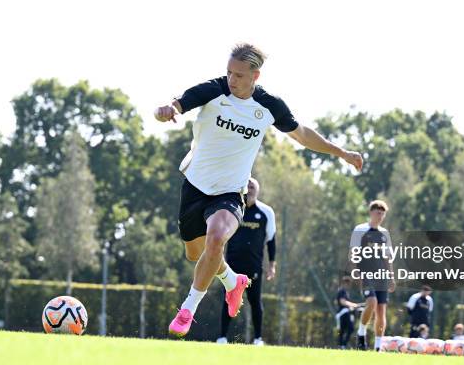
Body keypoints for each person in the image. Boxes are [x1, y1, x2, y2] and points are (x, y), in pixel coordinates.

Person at [155, 43, 363, 337]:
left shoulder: (268, 106)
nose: (231, 79)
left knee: (216, 240)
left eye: (239, 75)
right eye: (229, 72)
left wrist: (341, 153)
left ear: (256, 76)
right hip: (195, 186)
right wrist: (167, 109)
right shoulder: (214, 90)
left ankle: (188, 309)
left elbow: (302, 134)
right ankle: (231, 281)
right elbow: (179, 103)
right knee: (196, 254)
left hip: (230, 192)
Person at [216, 178, 276, 346]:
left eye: (252, 187)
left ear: (258, 190)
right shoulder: (233, 209)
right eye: (247, 186)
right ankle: (222, 337)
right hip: (231, 266)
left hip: (254, 266)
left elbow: (271, 239)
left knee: (255, 301)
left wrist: (272, 264)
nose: (249, 189)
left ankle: (258, 338)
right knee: (228, 300)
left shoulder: (266, 212)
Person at [350, 200, 396, 351]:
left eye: (383, 213)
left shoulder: (384, 234)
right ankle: (361, 332)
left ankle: (377, 347)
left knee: (381, 311)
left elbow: (387, 257)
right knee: (371, 302)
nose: (380, 216)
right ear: (371, 212)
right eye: (378, 212)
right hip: (366, 273)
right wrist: (355, 270)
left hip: (381, 275)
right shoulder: (360, 229)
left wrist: (391, 277)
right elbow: (353, 252)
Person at [335, 276, 359, 349]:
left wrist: (352, 307)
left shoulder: (345, 292)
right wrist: (353, 305)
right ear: (344, 283)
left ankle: (343, 345)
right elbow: (343, 302)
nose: (348, 285)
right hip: (342, 314)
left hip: (347, 313)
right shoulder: (341, 291)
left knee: (349, 329)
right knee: (342, 330)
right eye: (347, 283)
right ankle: (341, 345)